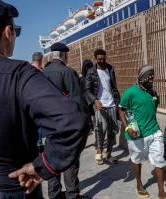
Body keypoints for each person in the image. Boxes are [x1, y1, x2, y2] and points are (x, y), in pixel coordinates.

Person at [0, 0, 89, 198]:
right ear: (8, 32)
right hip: (10, 187)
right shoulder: (19, 74)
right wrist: (44, 166)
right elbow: (74, 122)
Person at [43, 43, 91, 199]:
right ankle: (72, 194)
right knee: (70, 161)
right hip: (67, 125)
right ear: (63, 55)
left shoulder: (43, 73)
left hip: (49, 126)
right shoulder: (68, 72)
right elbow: (77, 101)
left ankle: (54, 194)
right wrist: (85, 122)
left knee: (51, 159)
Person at [118, 65, 166, 199]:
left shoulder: (153, 93)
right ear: (141, 77)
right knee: (137, 160)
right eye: (149, 77)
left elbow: (153, 110)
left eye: (153, 76)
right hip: (136, 135)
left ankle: (161, 193)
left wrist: (155, 98)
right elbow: (121, 109)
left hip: (154, 131)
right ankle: (139, 184)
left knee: (159, 160)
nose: (151, 79)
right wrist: (127, 127)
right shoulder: (130, 92)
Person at [86, 49, 120, 165]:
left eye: (103, 58)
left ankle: (109, 154)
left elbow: (114, 86)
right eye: (99, 59)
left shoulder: (110, 69)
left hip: (111, 104)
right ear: (95, 58)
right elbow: (87, 90)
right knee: (100, 129)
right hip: (100, 105)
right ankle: (99, 151)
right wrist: (95, 100)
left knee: (112, 131)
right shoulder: (91, 72)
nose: (102, 61)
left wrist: (117, 101)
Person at [80, 59, 95, 127]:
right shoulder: (81, 79)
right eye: (87, 67)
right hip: (86, 100)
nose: (88, 69)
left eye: (90, 67)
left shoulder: (94, 77)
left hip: (93, 99)